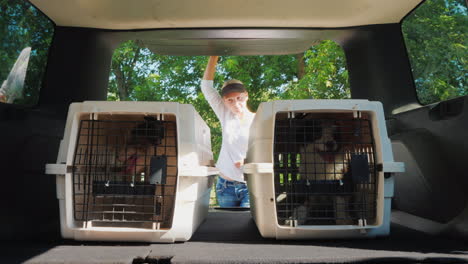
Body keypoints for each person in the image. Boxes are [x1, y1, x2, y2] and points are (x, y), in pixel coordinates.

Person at [201, 56, 255, 208]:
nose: (236, 104)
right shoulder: (225, 115)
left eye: (239, 98)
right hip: (225, 186)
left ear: (246, 96)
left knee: (245, 226)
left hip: (249, 185)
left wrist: (249, 160)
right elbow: (206, 87)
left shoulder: (258, 119)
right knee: (227, 227)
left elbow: (267, 150)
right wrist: (213, 56)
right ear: (224, 102)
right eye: (230, 100)